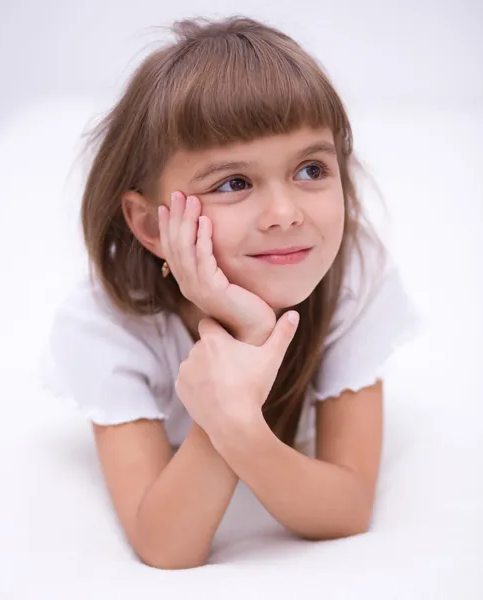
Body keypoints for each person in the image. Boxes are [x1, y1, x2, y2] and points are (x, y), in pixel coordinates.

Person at [39, 15, 422, 570]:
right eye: (233, 183)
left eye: (311, 169)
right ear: (150, 226)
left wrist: (238, 420)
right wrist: (241, 344)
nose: (286, 214)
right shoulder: (108, 326)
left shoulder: (352, 277)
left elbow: (347, 509)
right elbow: (167, 546)